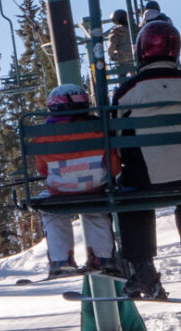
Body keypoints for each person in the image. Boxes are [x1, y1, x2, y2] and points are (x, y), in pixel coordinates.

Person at [112, 16, 181, 299]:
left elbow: (115, 139)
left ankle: (142, 268)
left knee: (131, 194)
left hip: (145, 182)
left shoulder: (128, 91)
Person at [29, 82, 120, 279]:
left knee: (51, 210)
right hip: (95, 187)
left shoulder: (44, 136)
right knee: (96, 210)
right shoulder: (99, 128)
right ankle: (102, 258)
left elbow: (42, 169)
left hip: (60, 190)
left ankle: (62, 260)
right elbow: (114, 167)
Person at [107, 9, 135, 80]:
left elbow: (111, 48)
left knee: (121, 77)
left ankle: (123, 87)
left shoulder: (115, 31)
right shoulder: (135, 28)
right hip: (135, 58)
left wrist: (113, 56)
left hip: (122, 59)